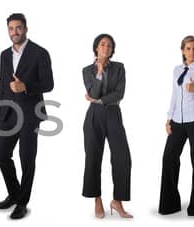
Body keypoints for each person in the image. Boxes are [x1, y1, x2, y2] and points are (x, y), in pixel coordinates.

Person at [0, 13, 54, 220]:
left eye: (18, 28)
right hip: (8, 113)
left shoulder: (39, 53)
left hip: (30, 113)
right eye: (11, 28)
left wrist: (25, 86)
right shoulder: (3, 55)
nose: (14, 32)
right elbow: (1, 84)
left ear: (25, 29)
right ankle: (14, 193)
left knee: (27, 159)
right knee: (0, 154)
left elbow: (49, 84)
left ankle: (22, 202)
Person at [159, 35, 194, 217]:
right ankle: (170, 204)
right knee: (168, 159)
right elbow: (174, 95)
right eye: (188, 48)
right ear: (182, 50)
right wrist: (168, 118)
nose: (192, 52)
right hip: (177, 121)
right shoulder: (176, 70)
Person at [81, 33, 132, 219]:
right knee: (93, 157)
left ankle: (118, 201)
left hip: (113, 113)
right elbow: (92, 90)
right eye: (102, 44)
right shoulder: (87, 70)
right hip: (94, 116)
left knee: (122, 157)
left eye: (109, 46)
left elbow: (120, 93)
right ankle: (97, 199)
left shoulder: (119, 68)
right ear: (96, 47)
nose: (106, 48)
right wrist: (100, 73)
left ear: (112, 50)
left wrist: (99, 100)